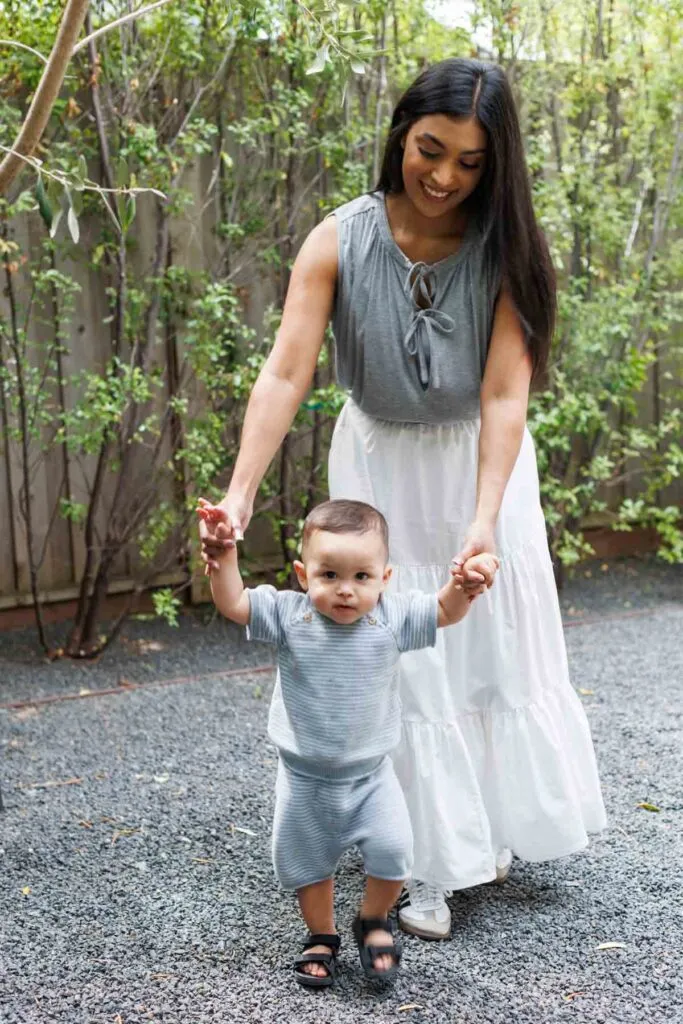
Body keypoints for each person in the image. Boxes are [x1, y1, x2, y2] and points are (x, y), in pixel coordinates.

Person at [199, 57, 607, 941]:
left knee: (482, 641)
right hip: (379, 462)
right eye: (431, 149)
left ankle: (480, 834)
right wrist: (238, 494)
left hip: (478, 463)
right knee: (397, 653)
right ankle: (423, 863)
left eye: (470, 161)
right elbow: (285, 371)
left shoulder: (508, 251)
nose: (445, 175)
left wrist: (480, 518)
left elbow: (504, 398)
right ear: (399, 135)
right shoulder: (337, 239)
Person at [197, 496, 498, 986]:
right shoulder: (289, 617)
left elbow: (444, 610)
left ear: (385, 578)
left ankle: (373, 918)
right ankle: (322, 935)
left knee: (394, 851)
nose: (345, 590)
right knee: (307, 864)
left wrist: (465, 584)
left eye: (361, 577)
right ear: (302, 574)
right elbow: (234, 602)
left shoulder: (391, 618)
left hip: (370, 775)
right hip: (305, 779)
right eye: (329, 575)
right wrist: (223, 556)